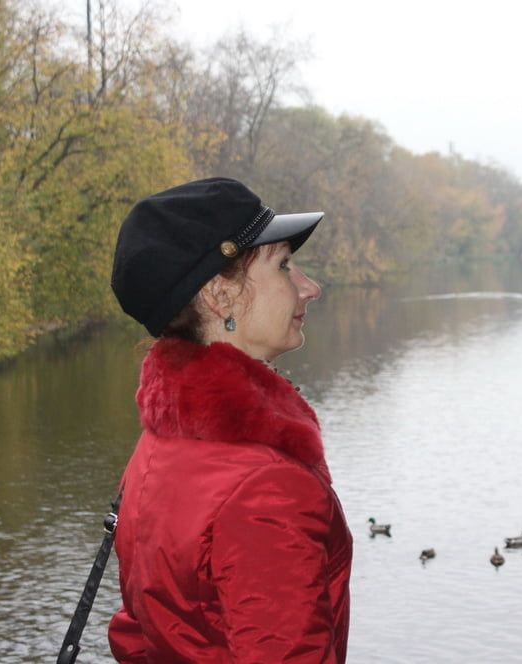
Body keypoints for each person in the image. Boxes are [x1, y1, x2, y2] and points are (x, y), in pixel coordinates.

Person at [106, 177, 352, 663]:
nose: (310, 287)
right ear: (221, 296)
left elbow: (139, 637)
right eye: (283, 266)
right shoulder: (265, 487)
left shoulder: (157, 450)